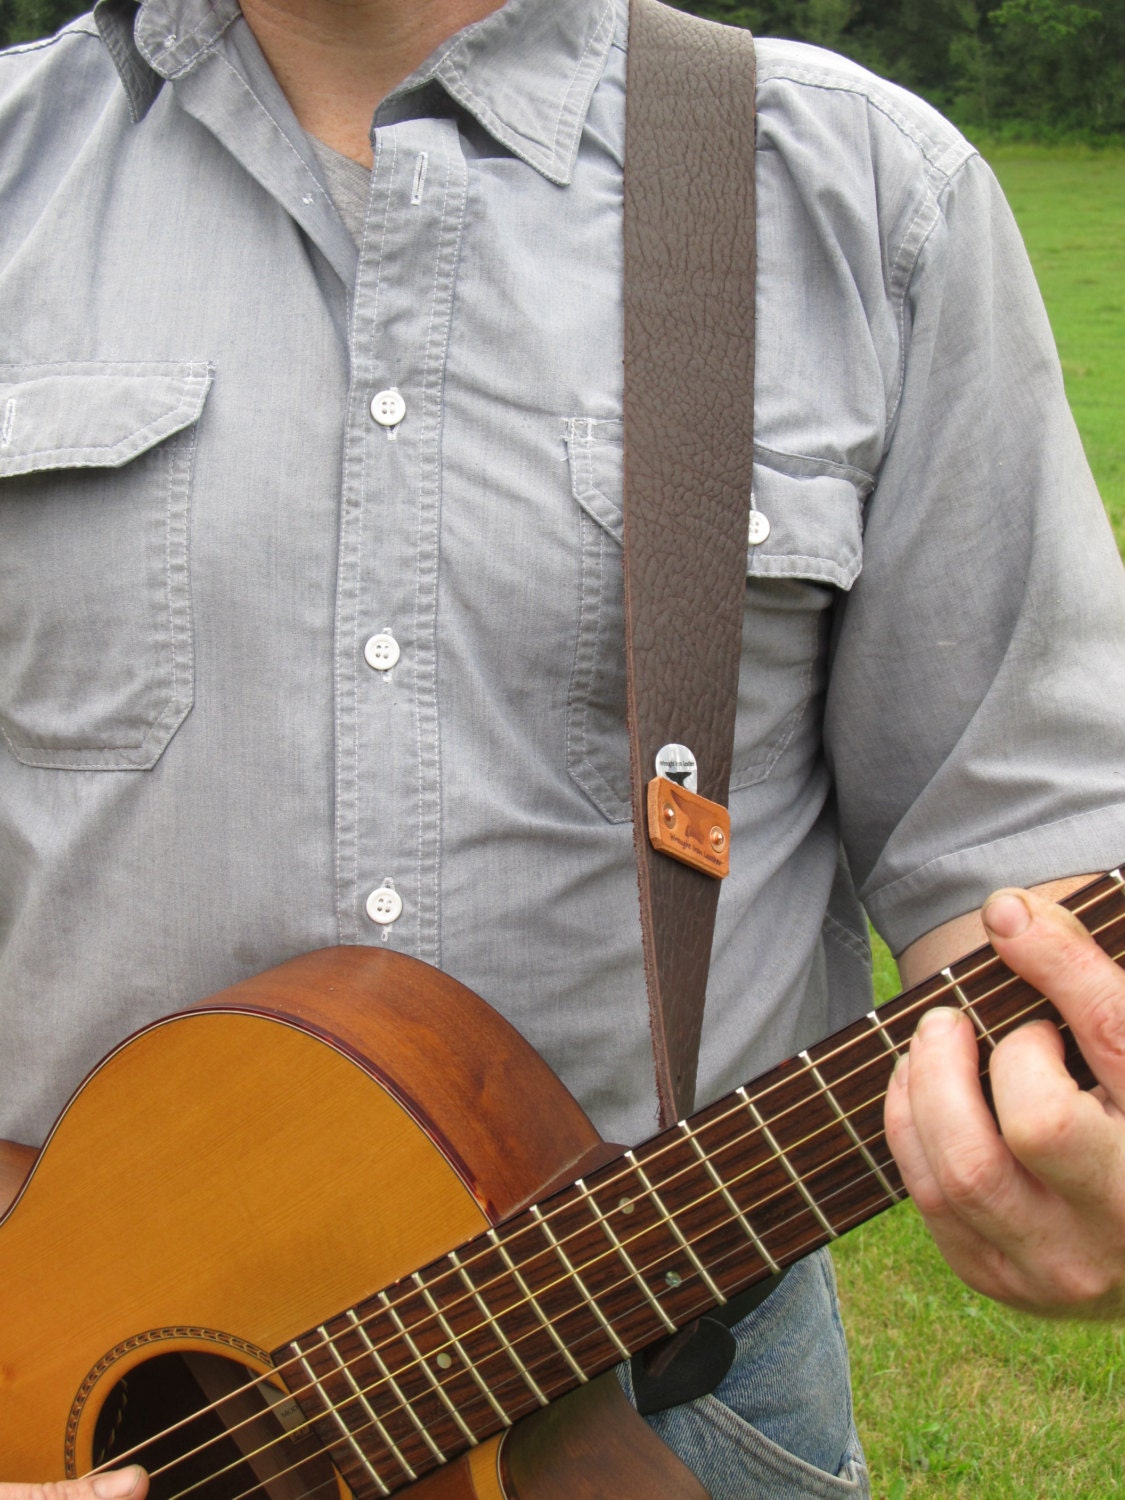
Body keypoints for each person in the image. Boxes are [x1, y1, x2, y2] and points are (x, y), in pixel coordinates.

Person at [1, 0, 1123, 1494]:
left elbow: (1012, 867)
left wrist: (1081, 1127)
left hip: (676, 1397)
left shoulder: (857, 190)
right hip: (58, 1374)